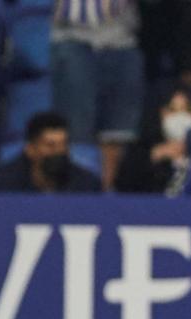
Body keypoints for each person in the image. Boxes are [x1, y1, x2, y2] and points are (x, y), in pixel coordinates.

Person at [50, 0, 145, 191]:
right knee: (76, 132)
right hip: (73, 39)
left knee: (117, 132)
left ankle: (105, 195)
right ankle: (78, 196)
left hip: (123, 40)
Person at [0, 112, 101, 193]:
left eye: (64, 144)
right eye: (51, 146)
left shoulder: (86, 185)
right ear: (30, 149)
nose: (59, 151)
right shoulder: (3, 185)